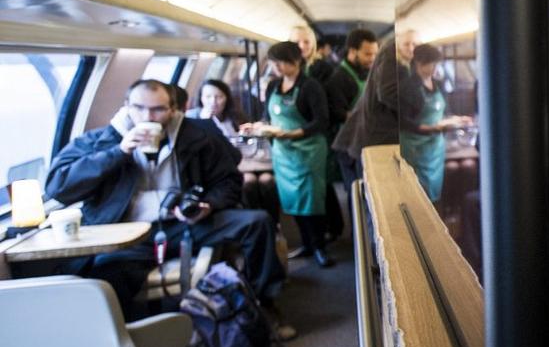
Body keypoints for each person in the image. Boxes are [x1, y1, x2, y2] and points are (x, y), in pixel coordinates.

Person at [45, 79, 288, 328]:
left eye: (158, 109)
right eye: (139, 108)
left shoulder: (197, 136)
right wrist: (118, 152)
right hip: (127, 232)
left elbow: (229, 181)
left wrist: (208, 205)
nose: (148, 116)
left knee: (257, 223)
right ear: (127, 106)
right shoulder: (101, 141)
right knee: (106, 272)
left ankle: (265, 304)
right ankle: (126, 336)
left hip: (183, 225)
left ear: (173, 109)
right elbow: (57, 186)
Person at [244, 41, 333, 267]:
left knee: (312, 201)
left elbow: (322, 121)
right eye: (274, 63)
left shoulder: (310, 86)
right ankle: (305, 243)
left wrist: (292, 134)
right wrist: (256, 127)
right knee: (292, 201)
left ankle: (319, 247)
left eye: (281, 63)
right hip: (283, 154)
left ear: (296, 61)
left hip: (309, 151)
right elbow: (268, 118)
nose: (277, 68)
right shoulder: (273, 86)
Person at [333, 28, 424, 182]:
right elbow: (387, 93)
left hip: (375, 138)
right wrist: (414, 114)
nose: (411, 48)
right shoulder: (391, 50)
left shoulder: (404, 64)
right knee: (372, 196)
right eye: (407, 44)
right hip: (374, 140)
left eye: (415, 44)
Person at [192, 78, 281, 226]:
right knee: (249, 182)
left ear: (226, 97)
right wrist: (207, 124)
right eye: (208, 97)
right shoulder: (194, 120)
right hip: (226, 168)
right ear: (201, 98)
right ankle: (257, 221)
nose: (213, 101)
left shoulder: (235, 116)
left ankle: (274, 222)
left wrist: (248, 132)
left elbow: (247, 143)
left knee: (267, 181)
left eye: (219, 96)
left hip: (249, 161)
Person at [400, 43, 470, 201]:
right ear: (419, 62)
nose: (435, 67)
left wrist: (458, 119)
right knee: (418, 195)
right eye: (432, 63)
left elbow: (444, 114)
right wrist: (432, 128)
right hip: (415, 148)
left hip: (435, 148)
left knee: (434, 190)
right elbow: (404, 122)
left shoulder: (438, 84)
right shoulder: (408, 87)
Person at [325, 27, 378, 198]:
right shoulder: (339, 78)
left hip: (366, 141)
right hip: (348, 146)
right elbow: (338, 114)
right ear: (353, 51)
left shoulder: (368, 72)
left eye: (374, 54)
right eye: (368, 54)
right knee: (356, 192)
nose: (372, 59)